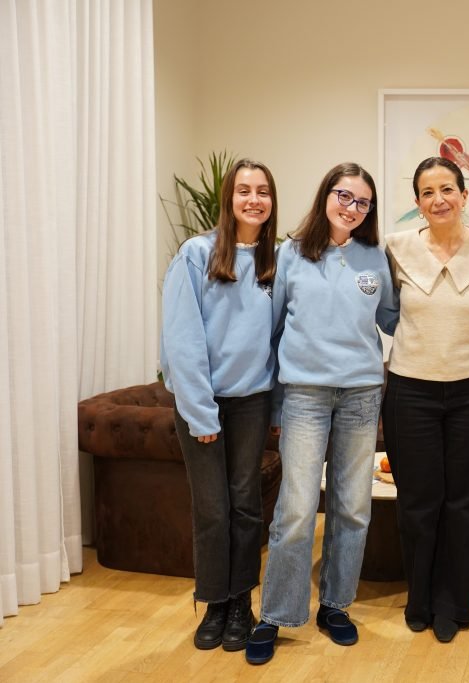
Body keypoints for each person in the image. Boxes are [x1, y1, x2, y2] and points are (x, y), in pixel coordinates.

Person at [245, 163, 397, 665]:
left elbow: (393, 318)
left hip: (360, 395)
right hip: (305, 395)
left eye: (362, 202)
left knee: (353, 506)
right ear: (326, 196)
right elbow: (271, 328)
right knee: (295, 508)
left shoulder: (376, 256)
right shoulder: (291, 253)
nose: (352, 208)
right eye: (344, 196)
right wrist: (271, 402)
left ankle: (335, 605)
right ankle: (277, 613)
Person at [382, 157, 469, 643]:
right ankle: (420, 599)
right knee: (418, 502)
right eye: (427, 192)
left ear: (464, 194)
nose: (439, 199)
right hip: (410, 391)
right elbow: (387, 315)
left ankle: (456, 604)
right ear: (417, 202)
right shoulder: (395, 250)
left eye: (447, 189)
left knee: (467, 503)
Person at [160, 158, 278, 652]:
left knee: (246, 506)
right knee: (212, 509)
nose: (254, 199)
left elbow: (281, 336)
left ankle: (240, 602)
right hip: (203, 404)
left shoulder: (279, 260)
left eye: (263, 191)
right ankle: (212, 602)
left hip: (252, 403)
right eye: (244, 190)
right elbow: (180, 339)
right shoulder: (197, 253)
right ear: (228, 198)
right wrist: (201, 411)